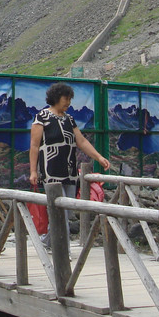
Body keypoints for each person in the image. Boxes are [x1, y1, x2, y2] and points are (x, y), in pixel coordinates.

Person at [29, 82, 111, 246]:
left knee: (66, 208)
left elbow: (81, 141)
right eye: (65, 99)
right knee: (59, 209)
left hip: (69, 169)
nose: (68, 103)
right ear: (56, 98)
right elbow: (34, 145)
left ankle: (47, 241)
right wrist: (33, 171)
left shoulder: (69, 119)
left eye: (69, 99)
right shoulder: (42, 117)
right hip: (51, 169)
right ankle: (63, 247)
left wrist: (99, 157)